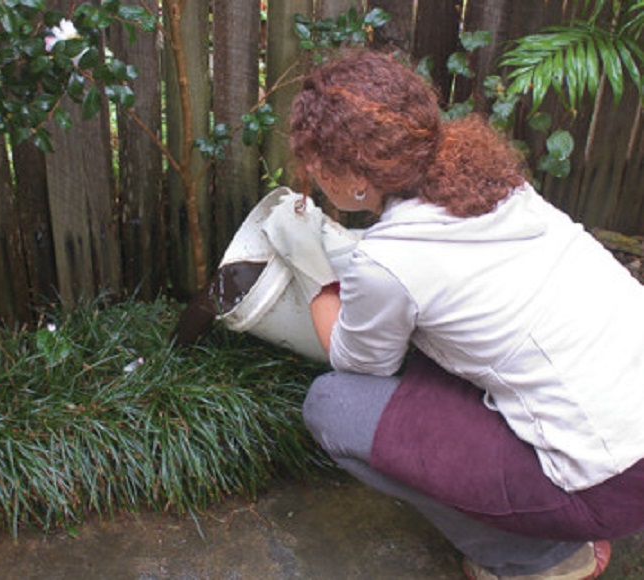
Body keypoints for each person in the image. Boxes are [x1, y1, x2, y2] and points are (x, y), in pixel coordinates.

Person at [262, 49, 644, 579]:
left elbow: (356, 363)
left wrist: (311, 271)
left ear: (353, 178)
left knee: (334, 407)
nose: (311, 177)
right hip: (627, 417)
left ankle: (540, 558)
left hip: (611, 481)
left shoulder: (388, 262)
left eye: (316, 168)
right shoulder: (493, 179)